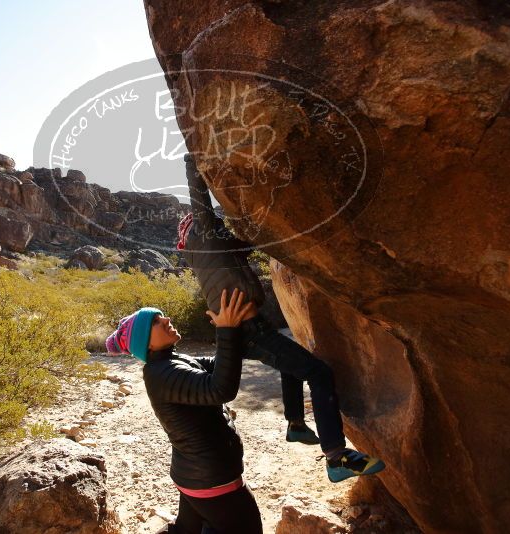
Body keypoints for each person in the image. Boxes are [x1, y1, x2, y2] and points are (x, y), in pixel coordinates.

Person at [177, 153, 385, 482]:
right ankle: (336, 456)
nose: (215, 221)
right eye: (208, 221)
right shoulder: (205, 236)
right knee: (318, 373)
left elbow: (249, 242)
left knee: (292, 361)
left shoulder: (212, 252)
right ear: (196, 230)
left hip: (243, 330)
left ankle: (295, 424)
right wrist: (194, 160)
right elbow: (199, 199)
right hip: (249, 330)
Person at [106, 288, 263, 534]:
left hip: (197, 476)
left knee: (186, 530)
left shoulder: (172, 361)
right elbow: (219, 389)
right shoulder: (162, 374)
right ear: (145, 343)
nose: (166, 320)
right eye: (156, 322)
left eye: (162, 316)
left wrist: (240, 331)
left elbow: (221, 364)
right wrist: (226, 331)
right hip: (212, 480)